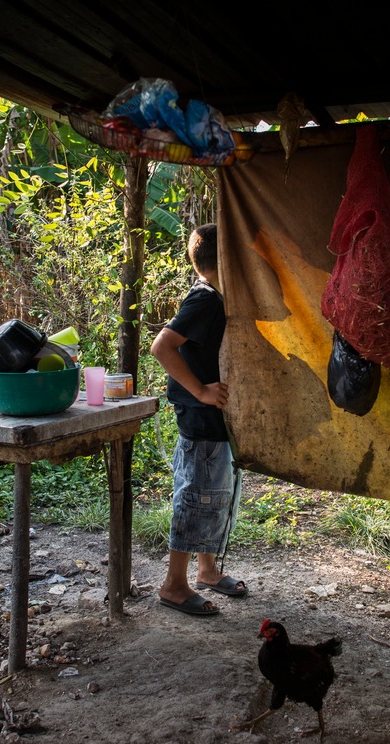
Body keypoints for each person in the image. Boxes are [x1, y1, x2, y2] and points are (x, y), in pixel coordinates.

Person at [150, 223, 246, 616]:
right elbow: (162, 347)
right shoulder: (205, 299)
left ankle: (206, 570)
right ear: (226, 260)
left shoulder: (217, 296)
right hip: (200, 416)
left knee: (215, 497)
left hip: (214, 419)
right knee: (195, 497)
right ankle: (174, 584)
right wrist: (202, 391)